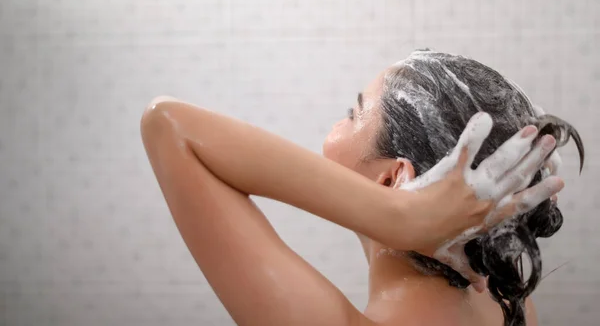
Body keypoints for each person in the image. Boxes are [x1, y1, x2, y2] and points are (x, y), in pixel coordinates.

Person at [139, 49, 582, 326]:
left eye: (353, 114)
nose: (336, 124)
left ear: (393, 179)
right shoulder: (511, 308)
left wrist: (402, 217)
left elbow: (167, 125)